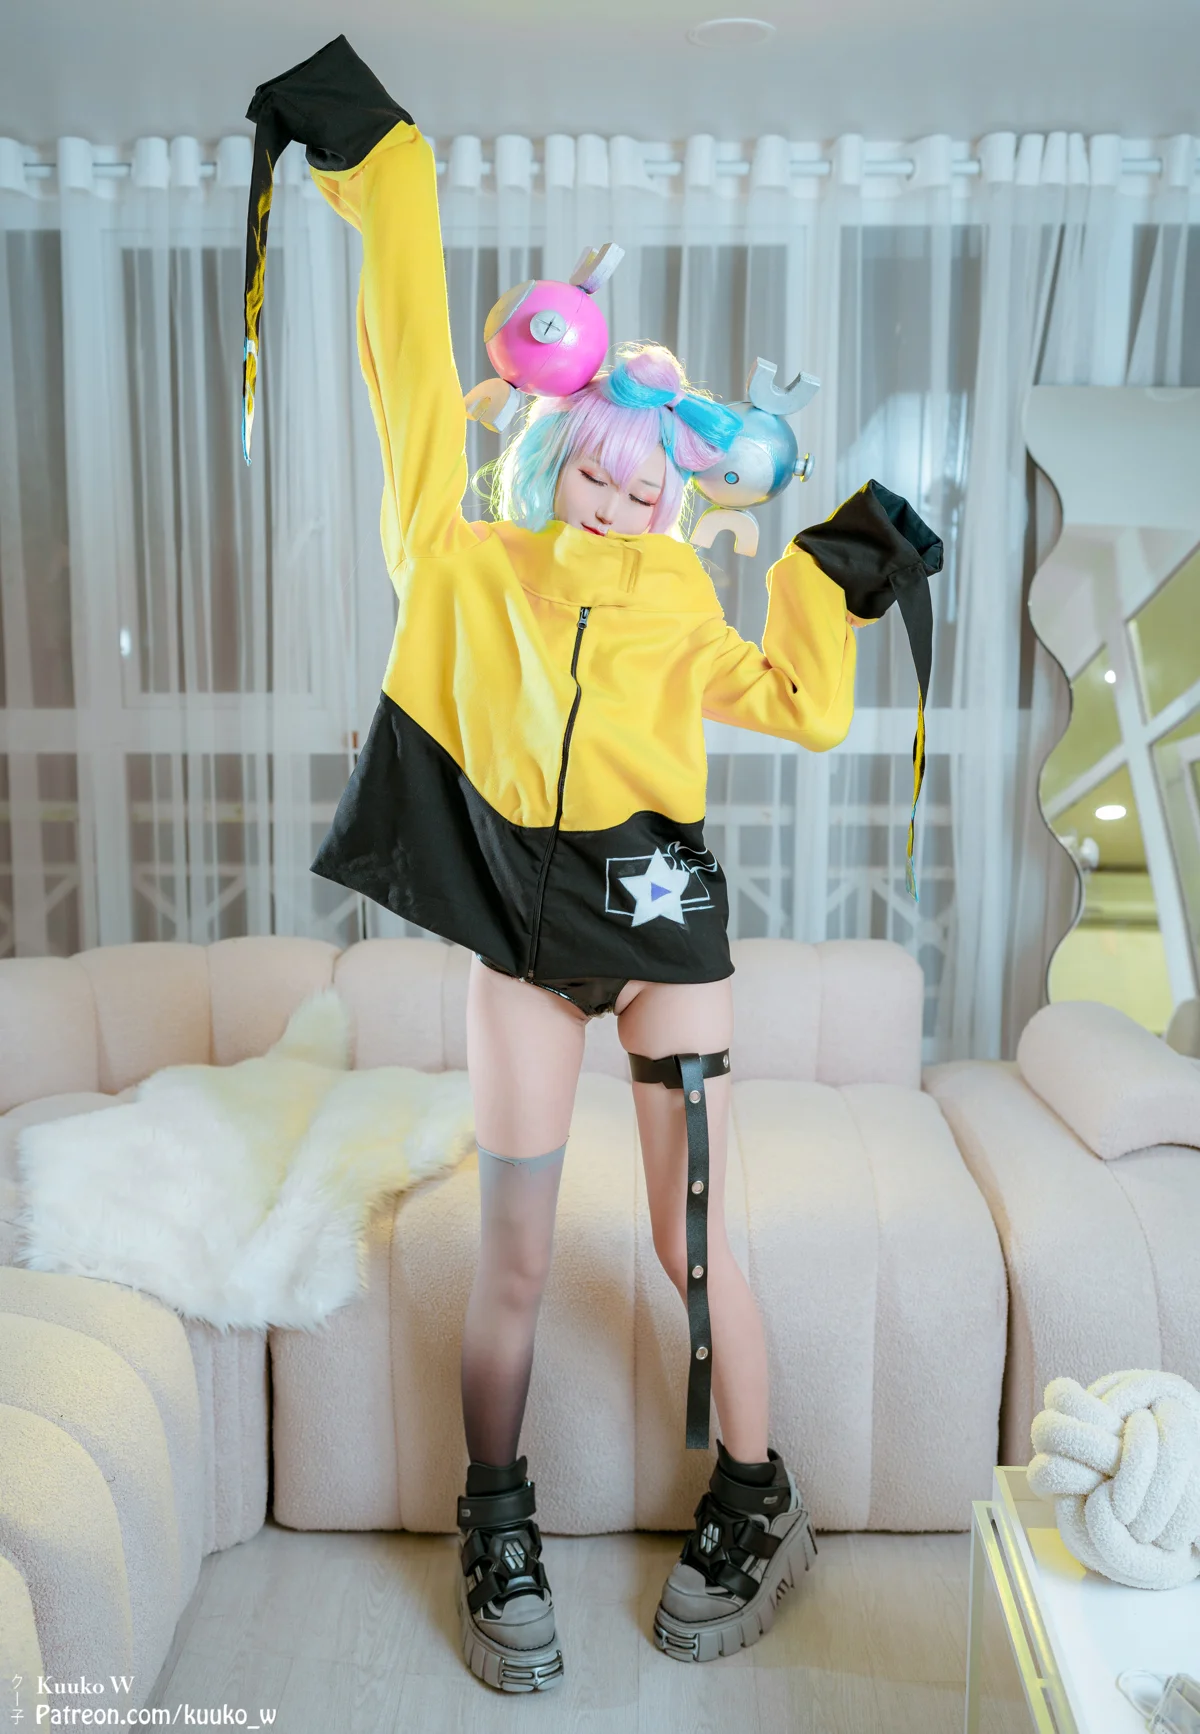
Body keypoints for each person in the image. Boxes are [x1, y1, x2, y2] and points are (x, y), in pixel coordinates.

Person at [242, 34, 940, 1698]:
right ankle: (495, 1515)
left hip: (663, 926)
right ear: (555, 459)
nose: (623, 489)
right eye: (597, 462)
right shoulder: (469, 566)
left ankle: (757, 1495)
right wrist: (385, 176)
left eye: (649, 472)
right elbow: (414, 391)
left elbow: (801, 706)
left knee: (700, 1249)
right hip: (516, 929)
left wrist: (832, 575)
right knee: (514, 1255)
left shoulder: (686, 603)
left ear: (678, 488)